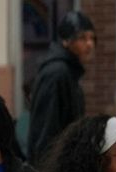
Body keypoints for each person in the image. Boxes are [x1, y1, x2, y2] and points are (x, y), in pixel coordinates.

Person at [26, 11, 95, 164]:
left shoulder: (69, 72)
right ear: (66, 41)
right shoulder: (57, 74)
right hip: (51, 170)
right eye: (82, 38)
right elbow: (46, 131)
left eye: (92, 38)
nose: (89, 44)